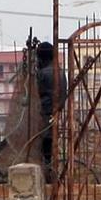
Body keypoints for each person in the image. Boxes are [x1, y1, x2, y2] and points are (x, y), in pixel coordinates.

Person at [33, 40, 68, 180]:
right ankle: (51, 177)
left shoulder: (42, 74)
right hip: (56, 114)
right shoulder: (60, 72)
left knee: (43, 150)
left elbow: (35, 94)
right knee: (51, 149)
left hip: (43, 115)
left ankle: (47, 179)